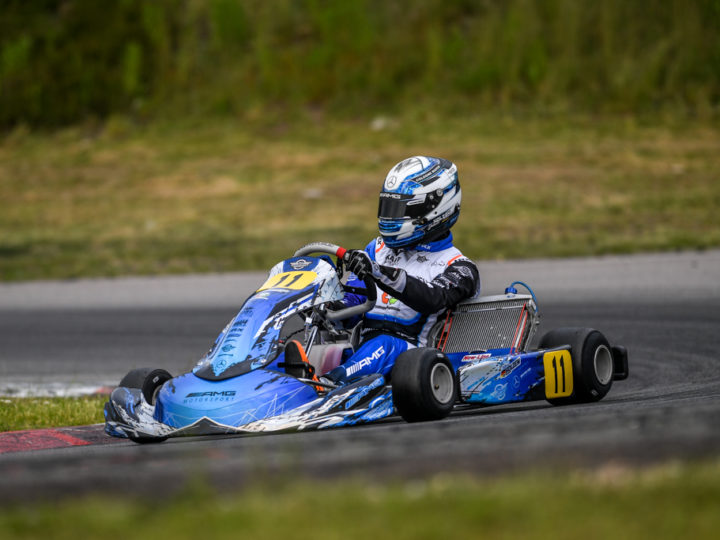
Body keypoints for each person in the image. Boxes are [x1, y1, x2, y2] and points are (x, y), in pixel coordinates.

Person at [303, 155, 480, 386]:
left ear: (437, 209)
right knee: (319, 348)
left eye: (403, 208)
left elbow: (432, 298)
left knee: (385, 346)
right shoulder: (377, 250)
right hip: (364, 352)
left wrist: (377, 272)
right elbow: (356, 301)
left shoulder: (459, 267)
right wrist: (328, 304)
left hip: (417, 362)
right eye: (390, 207)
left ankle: (327, 385)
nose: (392, 217)